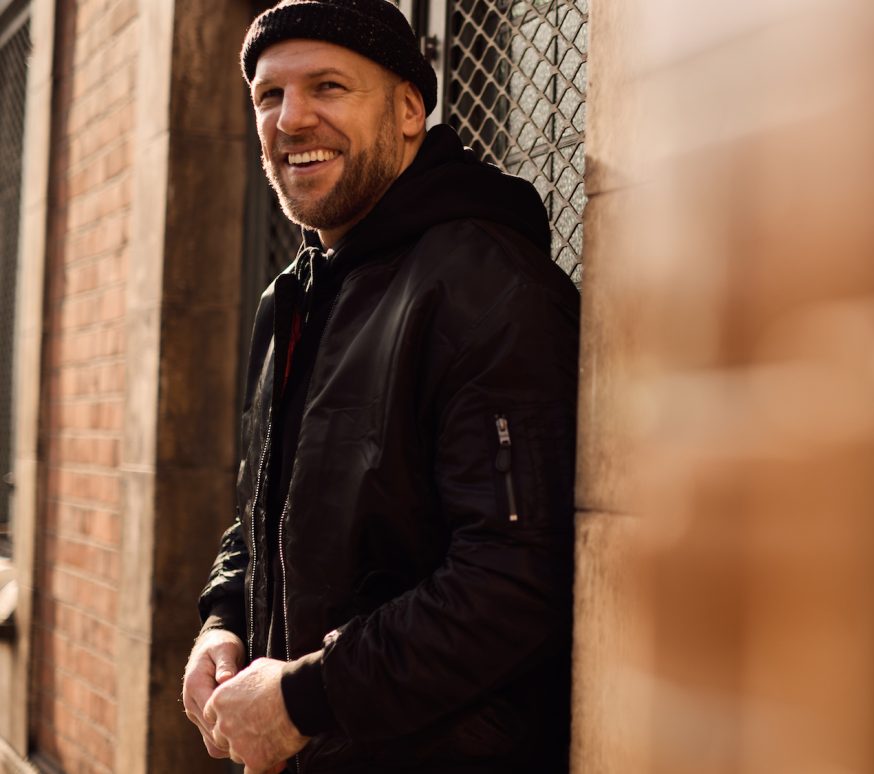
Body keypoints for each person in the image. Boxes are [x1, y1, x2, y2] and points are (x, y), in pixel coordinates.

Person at [179, 1, 579, 771]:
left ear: (408, 111)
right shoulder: (290, 299)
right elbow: (264, 515)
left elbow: (518, 575)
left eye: (327, 87)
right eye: (269, 95)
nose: (291, 119)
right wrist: (223, 621)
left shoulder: (487, 285)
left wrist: (304, 701)